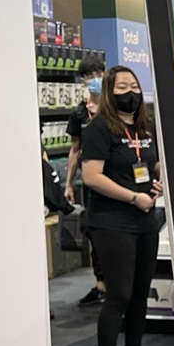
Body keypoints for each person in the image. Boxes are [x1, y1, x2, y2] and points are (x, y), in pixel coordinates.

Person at [80, 66, 163, 346]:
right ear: (109, 93)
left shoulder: (145, 127)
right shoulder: (99, 129)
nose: (130, 92)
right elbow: (92, 176)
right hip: (112, 221)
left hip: (145, 218)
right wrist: (132, 196)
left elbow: (152, 163)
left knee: (141, 291)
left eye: (134, 85)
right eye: (122, 87)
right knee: (119, 296)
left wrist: (157, 181)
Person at [66, 56, 108, 306]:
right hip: (91, 185)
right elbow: (74, 150)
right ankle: (101, 284)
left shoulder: (116, 108)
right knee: (94, 234)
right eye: (90, 75)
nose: (96, 79)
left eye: (99, 74)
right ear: (83, 80)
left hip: (116, 179)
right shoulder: (79, 114)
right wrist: (68, 183)